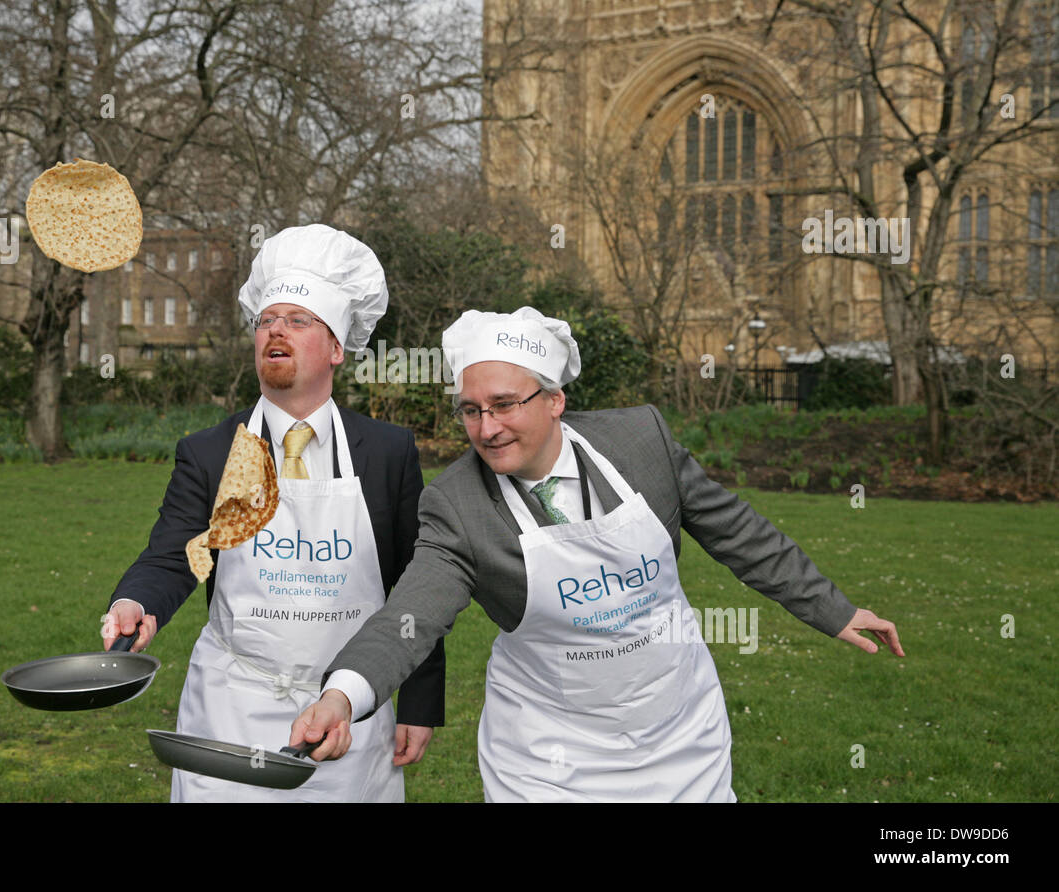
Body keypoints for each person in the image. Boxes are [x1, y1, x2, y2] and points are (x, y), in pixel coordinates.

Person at [291, 306, 904, 801]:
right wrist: (342, 695)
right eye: (472, 411)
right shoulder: (458, 505)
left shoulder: (640, 442)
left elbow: (737, 532)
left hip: (679, 728)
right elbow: (412, 616)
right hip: (551, 754)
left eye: (505, 405)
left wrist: (834, 609)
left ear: (554, 399)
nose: (487, 428)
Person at [106, 224, 444, 802]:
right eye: (267, 321)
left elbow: (416, 587)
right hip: (232, 709)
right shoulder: (214, 450)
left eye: (298, 320)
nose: (276, 331)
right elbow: (172, 554)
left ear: (337, 347)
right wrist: (134, 602)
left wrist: (417, 699)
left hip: (348, 714)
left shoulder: (387, 453)